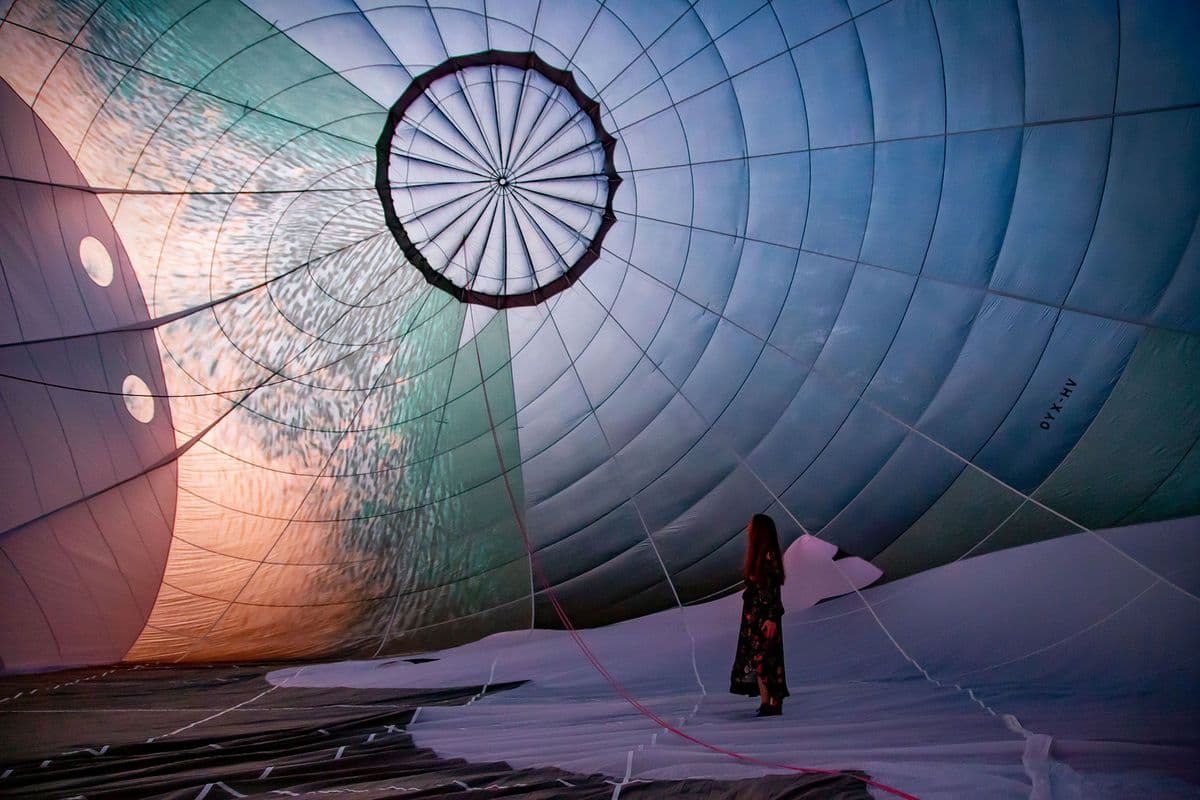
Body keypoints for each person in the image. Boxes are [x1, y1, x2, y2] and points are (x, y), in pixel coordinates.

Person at [729, 513, 789, 716]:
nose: (747, 527)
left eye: (751, 525)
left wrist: (771, 617)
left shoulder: (768, 556)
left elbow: (771, 590)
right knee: (760, 659)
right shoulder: (760, 555)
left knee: (766, 658)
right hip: (756, 617)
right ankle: (766, 702)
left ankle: (774, 701)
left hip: (764, 617)